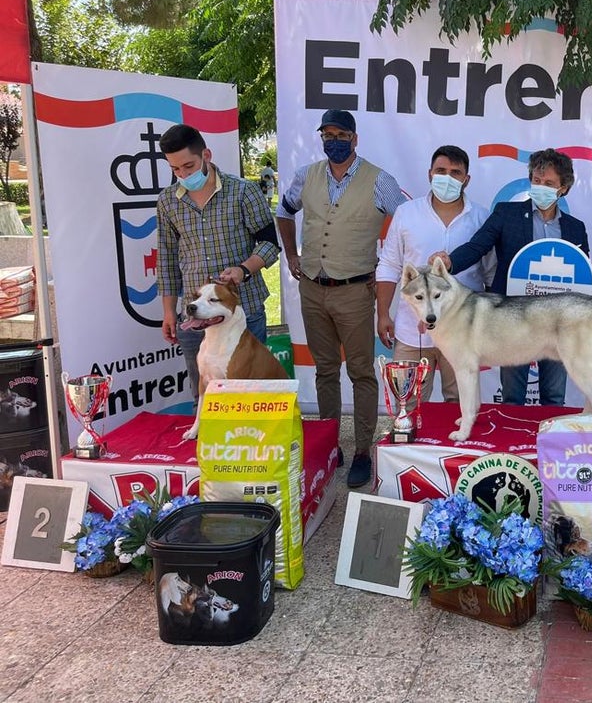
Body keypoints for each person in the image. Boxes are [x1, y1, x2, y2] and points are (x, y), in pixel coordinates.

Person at [276, 109, 407, 488]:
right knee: (325, 369)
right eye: (327, 134)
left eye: (340, 134)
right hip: (313, 289)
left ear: (354, 138)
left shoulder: (380, 180)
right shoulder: (308, 175)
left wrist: (385, 271)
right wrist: (291, 253)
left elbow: (405, 227)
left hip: (355, 290)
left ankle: (363, 450)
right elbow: (284, 212)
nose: (333, 140)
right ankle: (330, 444)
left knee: (362, 371)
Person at [432, 148, 588, 405]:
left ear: (564, 188)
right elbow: (477, 246)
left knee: (554, 396)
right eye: (536, 181)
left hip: (558, 323)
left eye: (549, 183)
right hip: (512, 320)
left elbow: (582, 274)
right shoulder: (507, 214)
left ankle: (546, 444)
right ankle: (512, 445)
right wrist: (450, 262)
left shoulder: (575, 228)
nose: (541, 187)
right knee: (513, 396)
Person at [156, 123, 280, 406]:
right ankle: (209, 447)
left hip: (243, 309)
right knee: (204, 396)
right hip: (195, 316)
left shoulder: (243, 191)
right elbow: (166, 258)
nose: (184, 175)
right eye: (175, 170)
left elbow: (270, 243)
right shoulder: (167, 202)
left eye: (189, 166)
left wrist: (244, 269)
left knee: (248, 395)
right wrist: (168, 312)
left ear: (206, 155)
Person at [376, 146, 495, 402]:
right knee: (407, 406)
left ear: (467, 179)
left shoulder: (482, 218)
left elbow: (491, 274)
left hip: (463, 331)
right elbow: (388, 265)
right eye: (441, 171)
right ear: (430, 174)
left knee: (461, 406)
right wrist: (383, 313)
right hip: (412, 331)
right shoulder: (406, 214)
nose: (448, 178)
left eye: (455, 172)